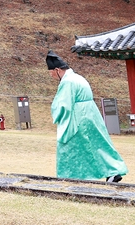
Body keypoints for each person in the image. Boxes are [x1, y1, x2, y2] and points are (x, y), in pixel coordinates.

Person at [47, 50, 127, 182]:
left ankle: (72, 176)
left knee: (70, 146)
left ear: (57, 70)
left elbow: (63, 105)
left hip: (78, 118)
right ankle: (112, 171)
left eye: (51, 73)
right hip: (91, 115)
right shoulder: (79, 78)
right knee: (97, 144)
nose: (51, 76)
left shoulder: (68, 82)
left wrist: (56, 113)